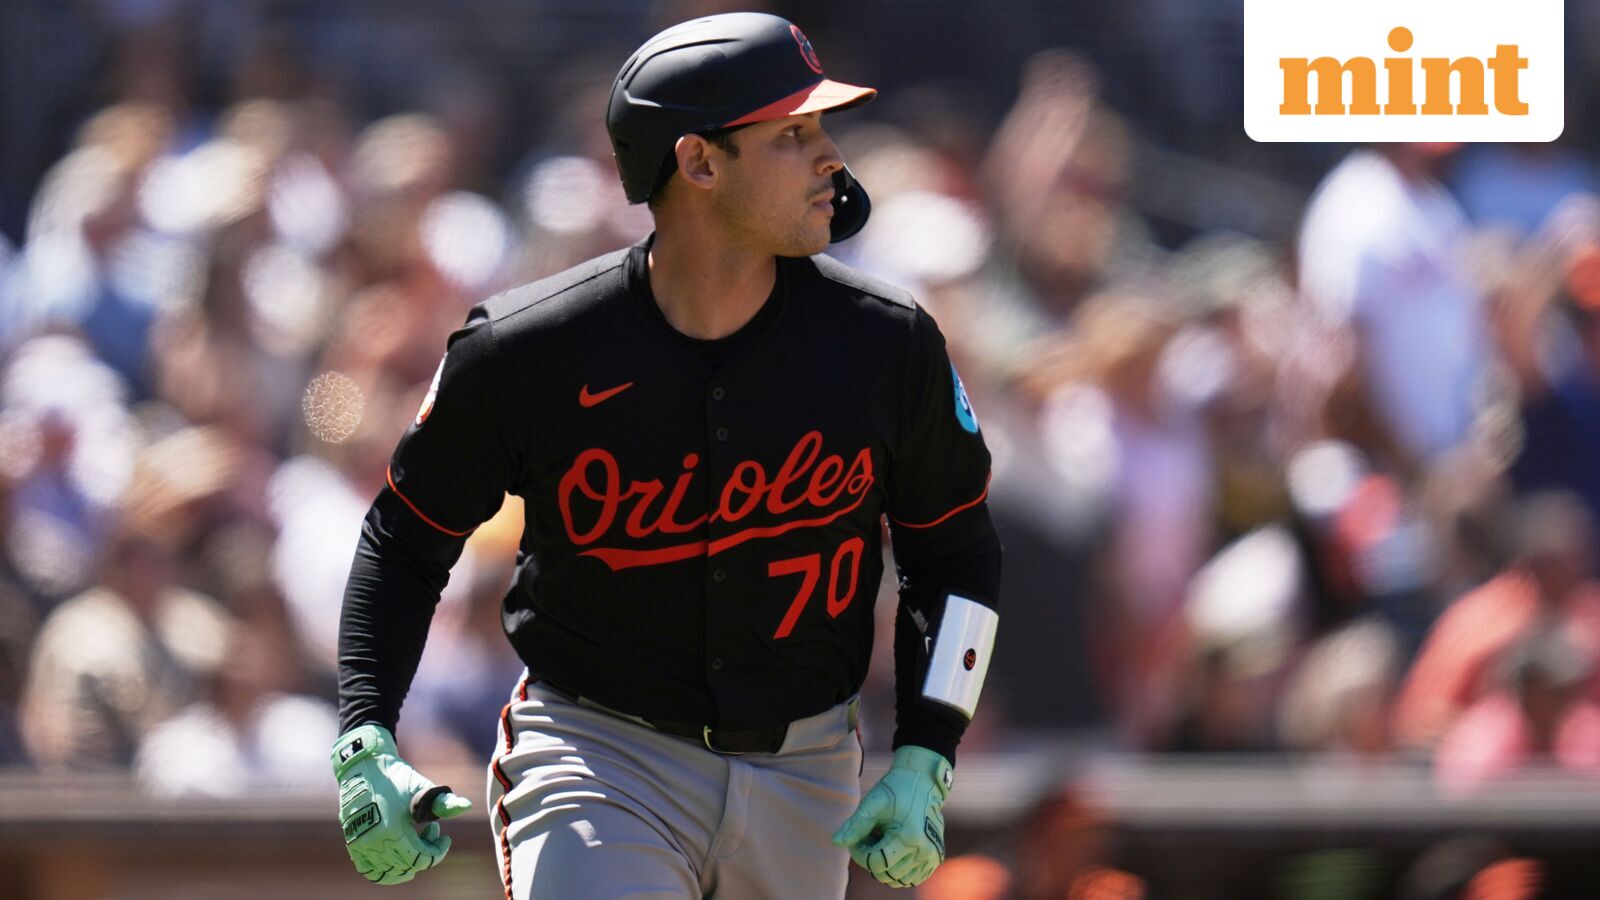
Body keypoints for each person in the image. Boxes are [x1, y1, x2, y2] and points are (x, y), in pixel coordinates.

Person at [329, 13, 1002, 898]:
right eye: (794, 135)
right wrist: (366, 729)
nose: (832, 156)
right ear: (699, 161)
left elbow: (957, 555)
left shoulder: (888, 345)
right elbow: (404, 541)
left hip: (809, 772)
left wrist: (928, 749)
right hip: (599, 757)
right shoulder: (528, 348)